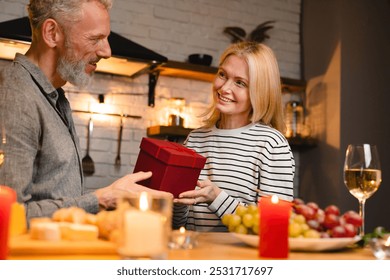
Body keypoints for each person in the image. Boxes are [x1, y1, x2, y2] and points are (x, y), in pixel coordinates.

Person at [0, 0, 161, 223]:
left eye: (106, 38)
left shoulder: (56, 97)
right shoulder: (16, 96)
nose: (107, 51)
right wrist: (101, 199)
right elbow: (8, 216)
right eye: (95, 39)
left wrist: (108, 198)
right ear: (52, 33)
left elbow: (56, 197)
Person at [173, 41, 295, 232]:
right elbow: (177, 225)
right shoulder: (195, 139)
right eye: (222, 75)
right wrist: (175, 202)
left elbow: (275, 227)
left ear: (260, 91)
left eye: (240, 83)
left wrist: (217, 197)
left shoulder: (271, 144)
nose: (224, 88)